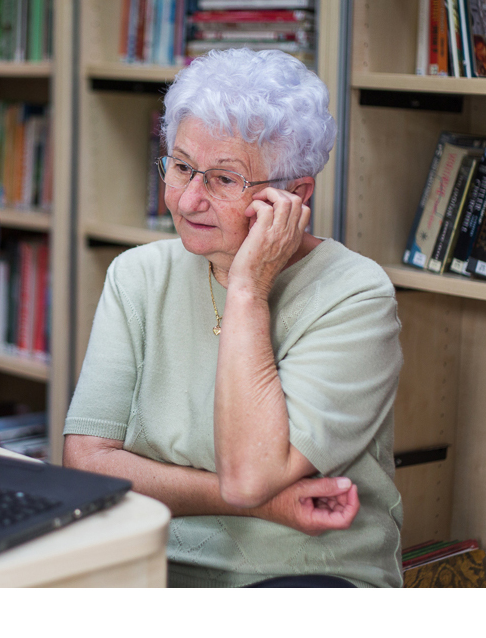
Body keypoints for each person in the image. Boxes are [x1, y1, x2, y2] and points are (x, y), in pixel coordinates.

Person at [63, 48, 404, 588]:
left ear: (293, 197)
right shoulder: (137, 275)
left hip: (301, 577)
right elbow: (87, 461)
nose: (188, 200)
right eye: (180, 167)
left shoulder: (356, 296)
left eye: (224, 180)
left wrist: (248, 287)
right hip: (148, 563)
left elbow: (250, 477)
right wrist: (263, 507)